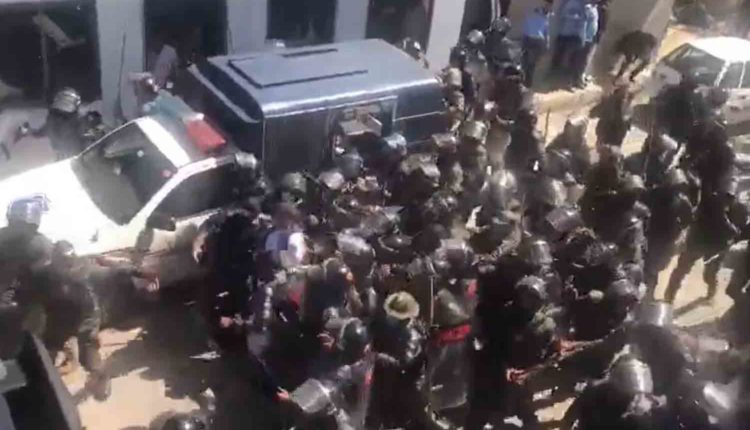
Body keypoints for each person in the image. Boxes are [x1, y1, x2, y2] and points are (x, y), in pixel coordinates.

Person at [551, 0, 587, 85]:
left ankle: (565, 80)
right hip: (563, 33)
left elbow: (584, 20)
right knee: (559, 57)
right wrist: (573, 17)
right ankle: (554, 78)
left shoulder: (582, 4)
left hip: (574, 35)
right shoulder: (566, 3)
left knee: (571, 60)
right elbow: (561, 15)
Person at [521, 0, 553, 87]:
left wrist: (547, 43)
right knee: (526, 62)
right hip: (529, 38)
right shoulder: (536, 11)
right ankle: (526, 82)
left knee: (531, 63)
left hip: (537, 40)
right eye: (547, 5)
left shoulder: (546, 16)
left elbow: (546, 30)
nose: (548, 7)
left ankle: (527, 83)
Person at [572, 0, 599, 89]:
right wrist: (582, 37)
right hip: (584, 39)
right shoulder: (588, 8)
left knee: (584, 61)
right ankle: (575, 80)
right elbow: (583, 24)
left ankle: (579, 79)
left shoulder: (595, 9)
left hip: (590, 38)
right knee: (580, 61)